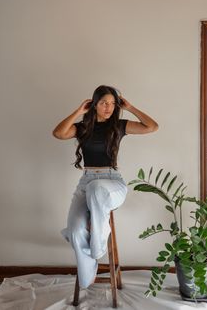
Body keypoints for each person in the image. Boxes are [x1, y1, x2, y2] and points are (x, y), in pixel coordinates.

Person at [52, 85, 158, 289]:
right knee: (74, 231)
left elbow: (152, 127)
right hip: (86, 181)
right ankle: (88, 271)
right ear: (94, 104)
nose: (108, 107)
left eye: (112, 103)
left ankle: (97, 246)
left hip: (111, 182)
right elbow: (58, 133)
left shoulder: (119, 125)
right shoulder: (83, 127)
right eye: (103, 103)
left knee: (96, 189)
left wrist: (131, 107)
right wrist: (78, 111)